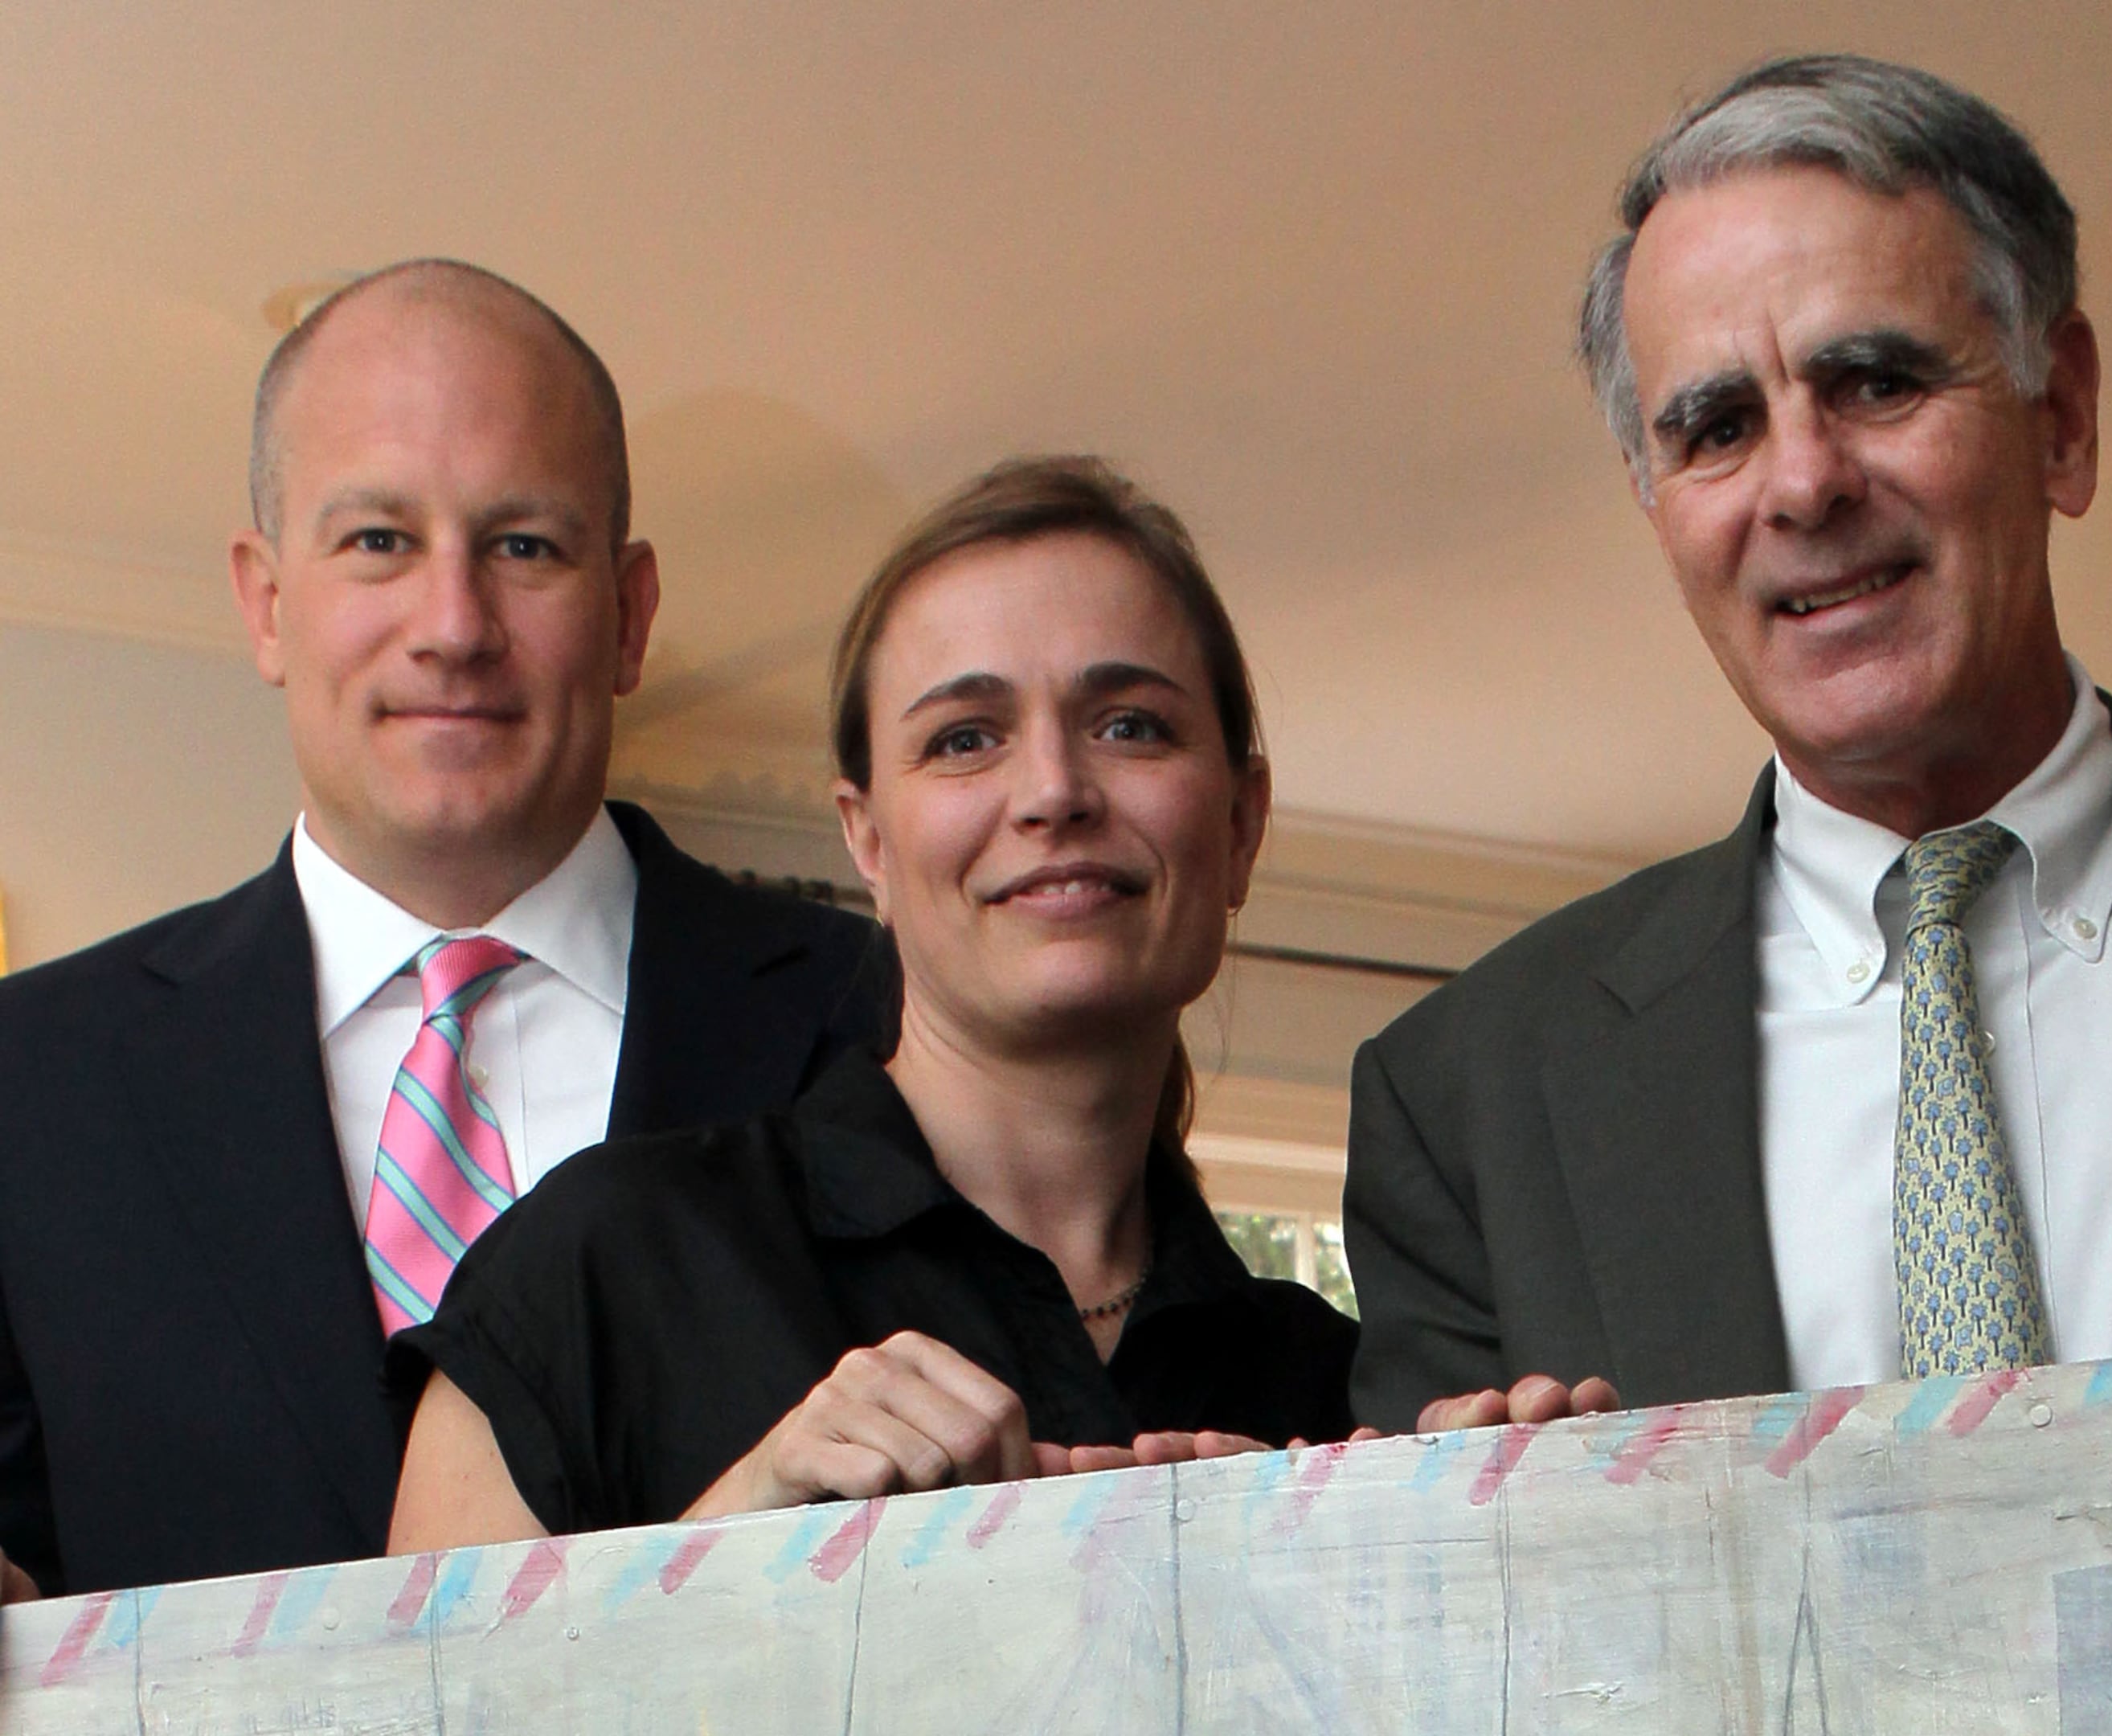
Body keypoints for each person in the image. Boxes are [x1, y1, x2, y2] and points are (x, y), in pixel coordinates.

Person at [1340, 55, 2112, 1436]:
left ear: (2059, 416)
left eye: (1876, 381)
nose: (1806, 481)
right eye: (1716, 428)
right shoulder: (1472, 1098)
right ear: (1656, 509)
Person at [0, 261, 885, 1599]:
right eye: (378, 542)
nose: (455, 626)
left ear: (630, 613)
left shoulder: (879, 1025)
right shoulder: (29, 1085)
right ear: (265, 603)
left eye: (524, 545)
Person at [386, 457, 1356, 1547]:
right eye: (965, 738)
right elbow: (377, 1716)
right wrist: (730, 1549)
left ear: (1240, 825)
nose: (1054, 792)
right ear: (869, 841)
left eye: (1129, 725)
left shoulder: (1332, 1395)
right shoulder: (597, 1266)